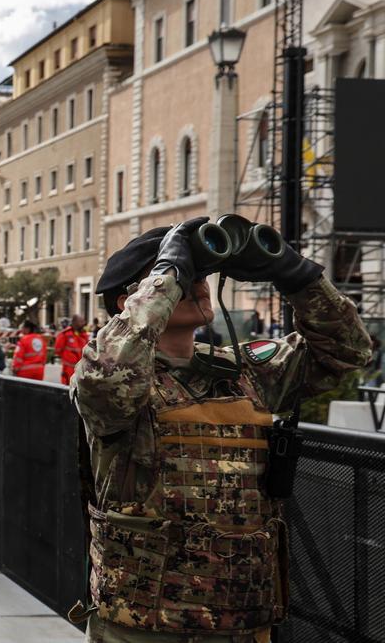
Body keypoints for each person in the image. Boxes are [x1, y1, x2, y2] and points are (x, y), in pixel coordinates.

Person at [72, 217, 370, 642]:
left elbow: (348, 349)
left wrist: (296, 275)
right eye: (181, 278)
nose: (195, 285)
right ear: (129, 301)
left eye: (199, 275)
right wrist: (168, 272)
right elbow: (112, 374)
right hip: (147, 627)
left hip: (246, 620)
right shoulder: (110, 380)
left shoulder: (246, 369)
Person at [54, 314, 89, 385]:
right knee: (67, 389)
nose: (83, 323)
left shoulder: (84, 335)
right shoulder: (65, 334)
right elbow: (58, 350)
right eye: (81, 321)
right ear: (74, 322)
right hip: (69, 369)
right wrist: (67, 358)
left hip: (81, 369)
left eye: (83, 321)